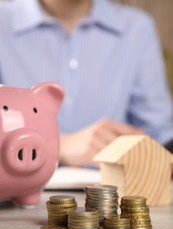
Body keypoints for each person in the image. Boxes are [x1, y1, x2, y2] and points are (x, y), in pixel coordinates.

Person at [0, 0, 173, 168]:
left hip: (113, 189)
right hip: (17, 192)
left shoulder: (137, 28)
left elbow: (161, 133)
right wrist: (59, 146)